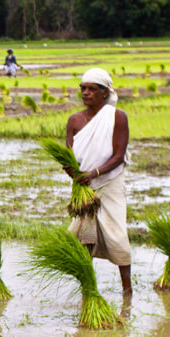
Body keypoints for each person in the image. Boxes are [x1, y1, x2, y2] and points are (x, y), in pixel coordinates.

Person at [66, 68, 132, 296]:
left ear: (104, 93)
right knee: (84, 234)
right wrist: (74, 175)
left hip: (110, 181)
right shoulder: (74, 120)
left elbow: (118, 155)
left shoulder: (117, 117)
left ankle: (127, 290)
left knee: (117, 233)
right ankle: (88, 288)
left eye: (92, 89)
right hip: (84, 185)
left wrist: (94, 173)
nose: (86, 93)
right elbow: (68, 156)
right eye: (83, 88)